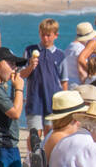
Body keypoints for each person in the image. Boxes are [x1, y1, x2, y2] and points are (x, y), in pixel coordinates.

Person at [21, 18, 67, 151]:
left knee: (50, 131)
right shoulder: (30, 51)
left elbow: (64, 81)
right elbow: (22, 74)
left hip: (53, 100)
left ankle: (48, 159)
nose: (45, 38)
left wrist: (64, 103)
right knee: (35, 133)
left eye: (48, 35)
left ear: (55, 36)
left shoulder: (60, 55)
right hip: (34, 99)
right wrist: (30, 66)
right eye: (43, 34)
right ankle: (31, 159)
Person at [62, 22, 96, 94]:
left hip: (69, 83)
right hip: (79, 85)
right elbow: (81, 70)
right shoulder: (81, 49)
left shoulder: (70, 46)